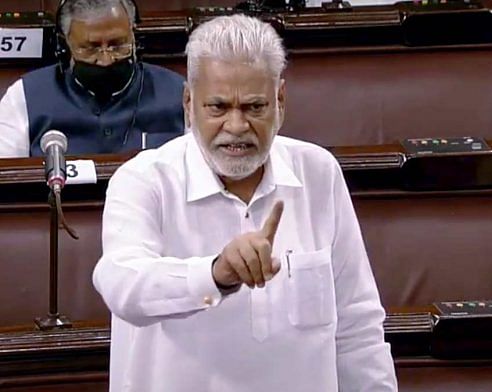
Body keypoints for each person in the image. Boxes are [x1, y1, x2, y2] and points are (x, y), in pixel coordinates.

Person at [92, 14, 397, 392]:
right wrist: (215, 274)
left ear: (280, 101)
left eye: (254, 107)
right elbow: (123, 285)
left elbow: (357, 326)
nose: (236, 127)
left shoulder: (319, 173)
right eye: (218, 107)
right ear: (189, 103)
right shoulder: (144, 180)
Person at [0, 0, 185, 157]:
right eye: (90, 48)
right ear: (63, 46)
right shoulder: (23, 97)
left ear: (135, 38)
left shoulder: (180, 94)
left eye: (117, 45)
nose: (106, 60)